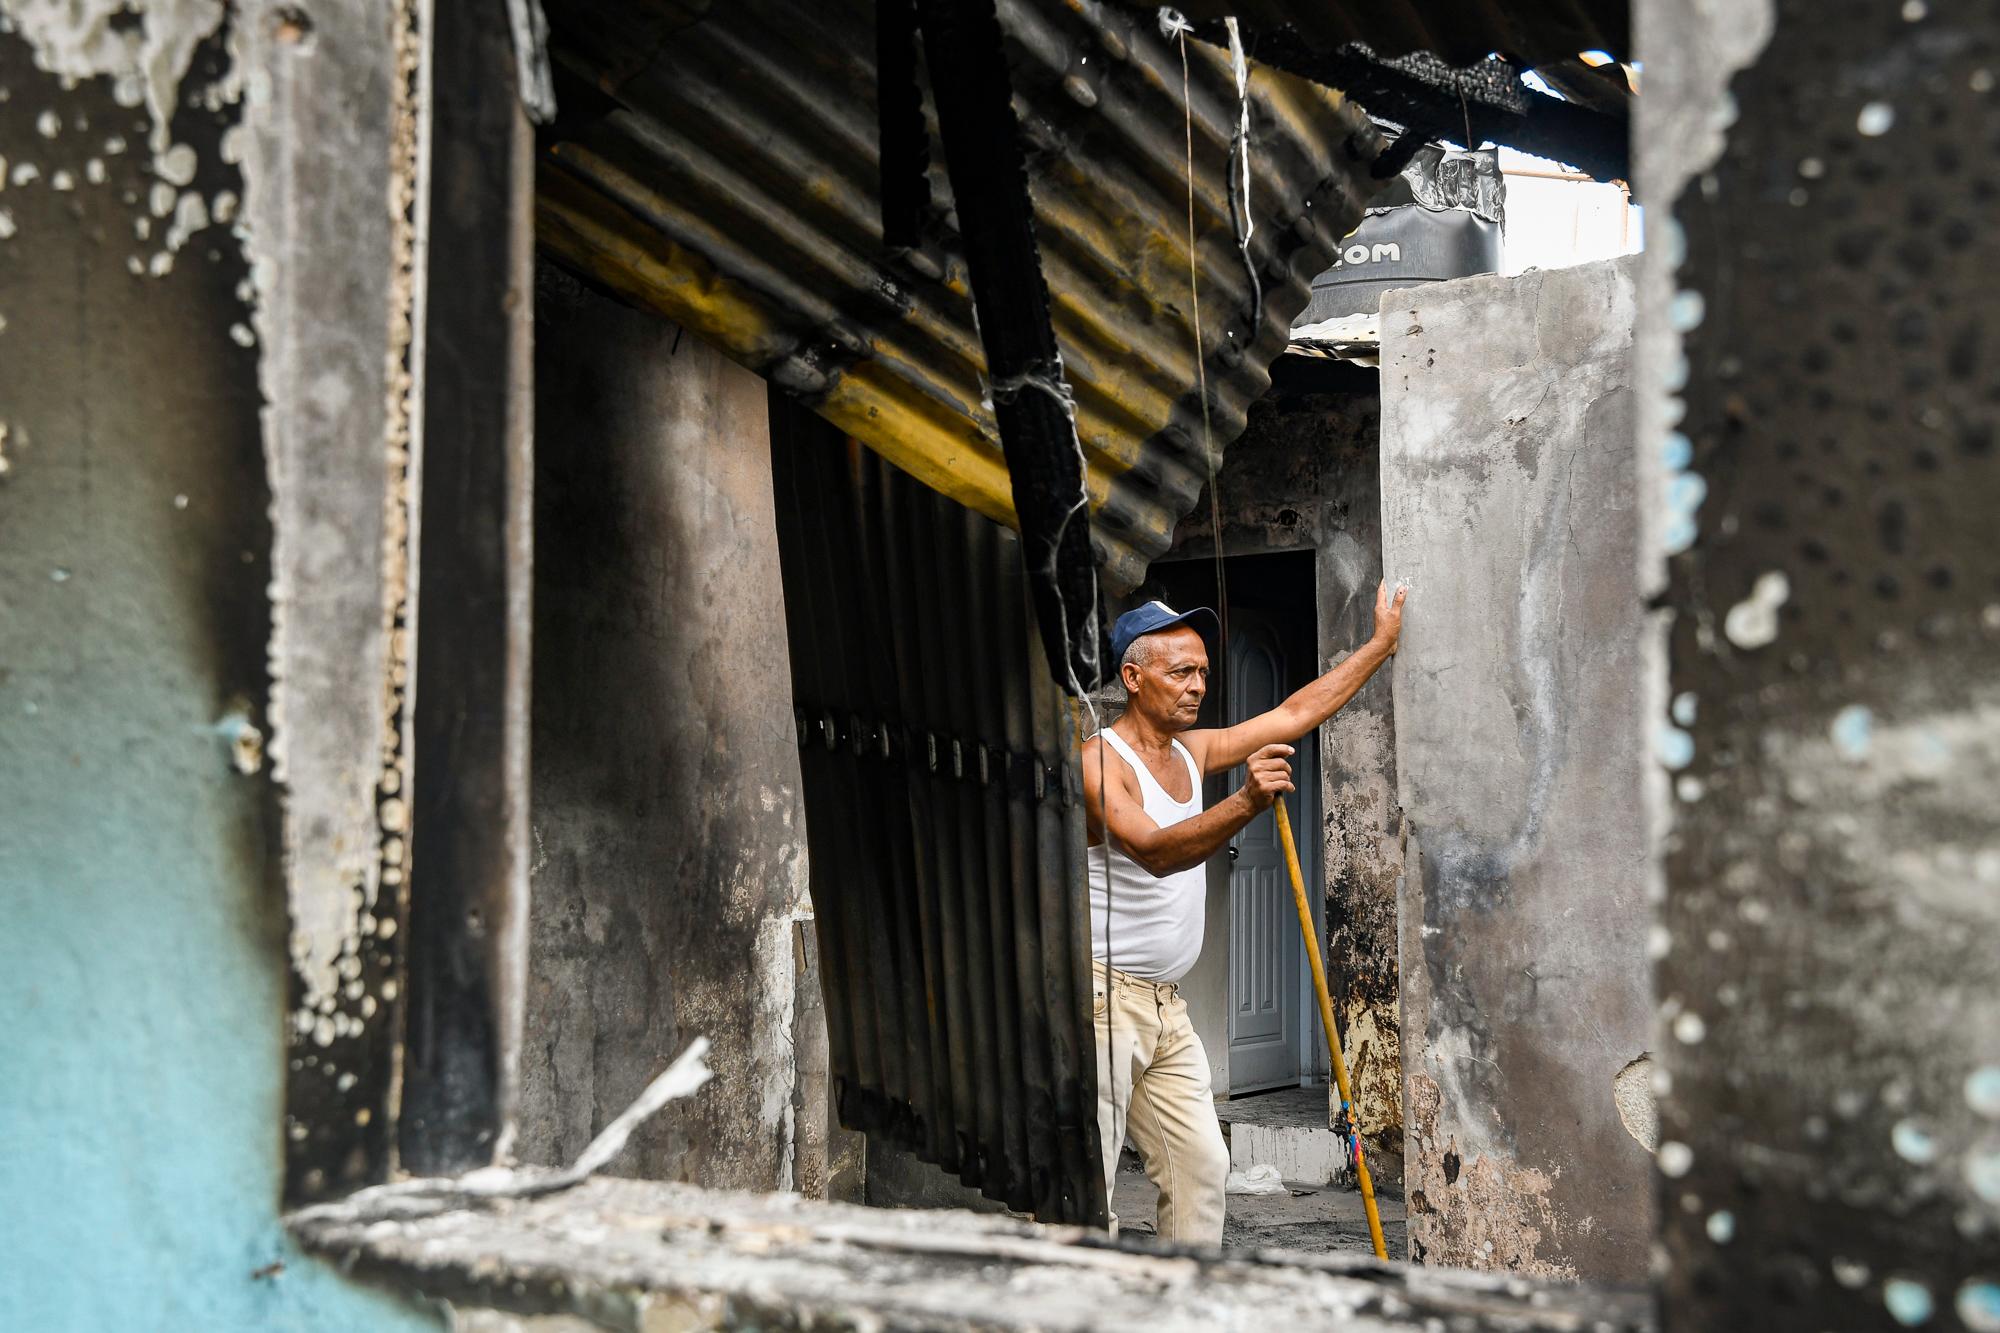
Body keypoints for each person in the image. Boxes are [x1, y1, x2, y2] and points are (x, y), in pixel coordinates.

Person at [1081, 579, 1407, 1244]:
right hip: (1100, 1000)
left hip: (1166, 1006)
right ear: (1133, 676)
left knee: (1202, 1167)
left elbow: (1291, 714)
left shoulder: (1189, 751)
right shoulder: (1097, 763)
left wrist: (1378, 646)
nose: (1198, 685)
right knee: (1084, 1185)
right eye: (1181, 672)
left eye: (1203, 670)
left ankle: (1181, 1312)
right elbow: (1155, 851)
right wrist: (1244, 805)